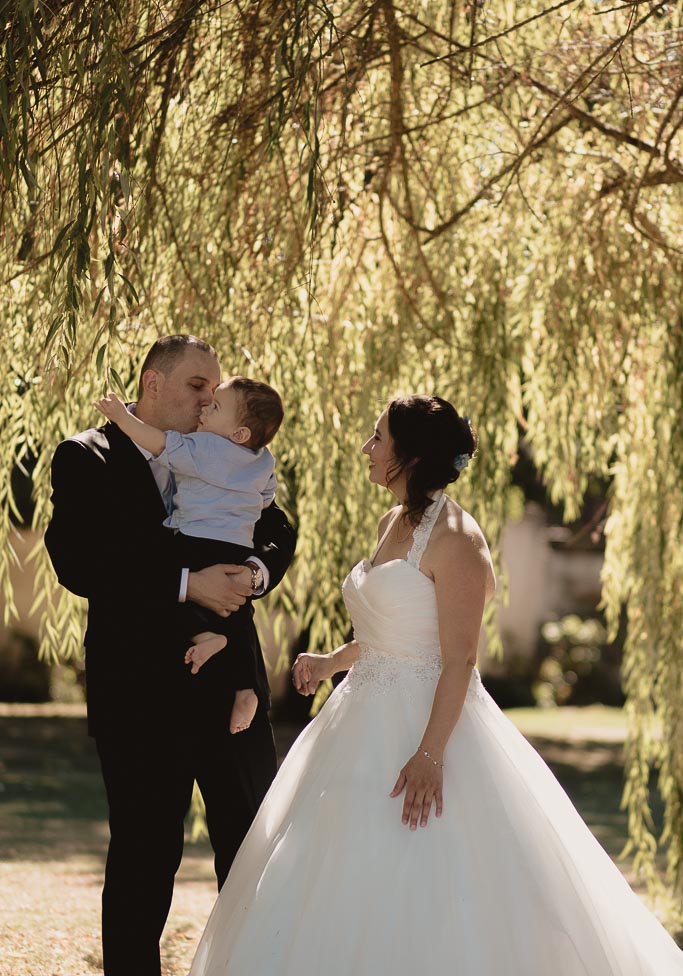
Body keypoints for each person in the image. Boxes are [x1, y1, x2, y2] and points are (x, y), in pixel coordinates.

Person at [188, 395, 683, 976]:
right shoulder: (389, 521)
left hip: (431, 725)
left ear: (410, 457)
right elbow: (395, 634)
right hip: (356, 719)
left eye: (378, 439)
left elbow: (458, 658)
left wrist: (429, 754)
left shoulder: (457, 539)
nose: (367, 449)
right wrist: (332, 662)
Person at [44, 335, 296, 976]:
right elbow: (80, 560)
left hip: (230, 681)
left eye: (215, 389)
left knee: (249, 841)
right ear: (152, 384)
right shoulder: (87, 456)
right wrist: (188, 585)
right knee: (144, 853)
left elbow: (276, 529)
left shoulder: (230, 453)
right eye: (196, 386)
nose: (209, 398)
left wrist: (251, 577)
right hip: (139, 692)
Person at [94, 374, 284, 734]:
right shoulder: (262, 459)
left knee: (166, 590)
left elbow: (159, 443)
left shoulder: (205, 448)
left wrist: (121, 417)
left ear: (239, 433)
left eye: (214, 405)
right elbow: (266, 500)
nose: (204, 408)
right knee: (237, 611)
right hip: (237, 545)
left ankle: (203, 637)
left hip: (195, 539)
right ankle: (248, 687)